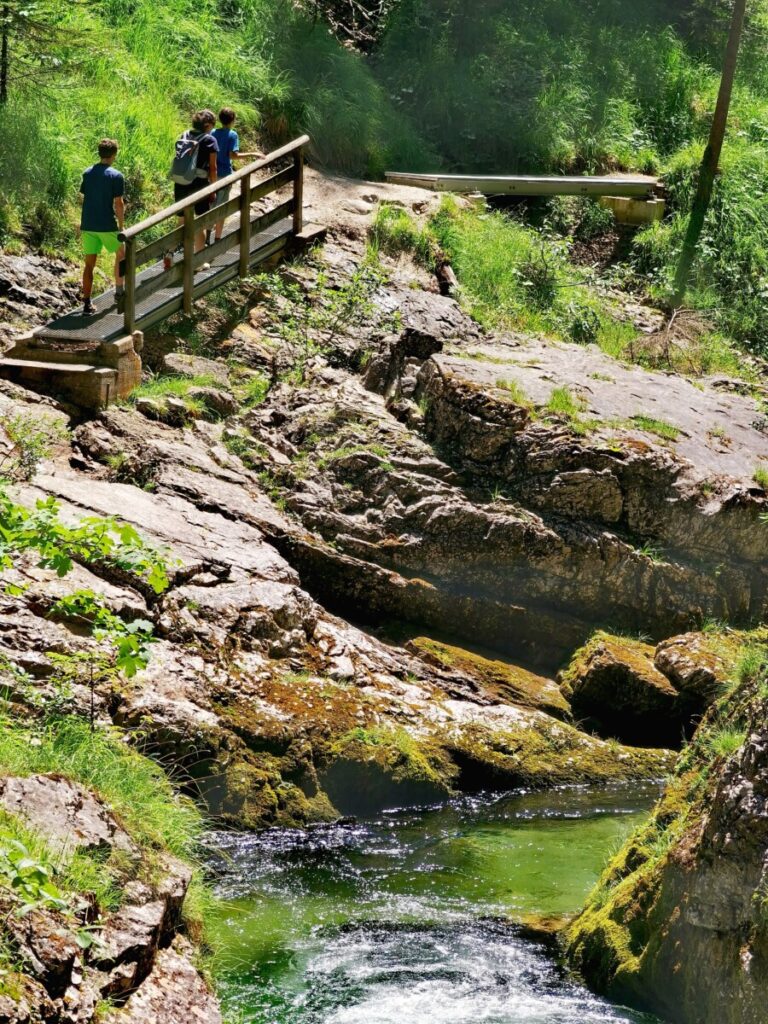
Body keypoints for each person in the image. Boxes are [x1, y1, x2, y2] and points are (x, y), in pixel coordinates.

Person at [78, 138, 125, 317]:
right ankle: (119, 292)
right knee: (121, 254)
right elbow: (119, 204)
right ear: (114, 154)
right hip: (106, 224)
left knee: (89, 264)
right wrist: (121, 227)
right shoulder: (116, 176)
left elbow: (85, 196)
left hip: (88, 224)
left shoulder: (87, 173)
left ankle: (87, 303)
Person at [172, 109, 218, 256]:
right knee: (201, 222)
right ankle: (198, 260)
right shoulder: (209, 140)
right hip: (199, 184)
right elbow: (213, 168)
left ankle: (169, 253)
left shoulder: (184, 135)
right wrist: (213, 188)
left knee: (182, 220)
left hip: (180, 182)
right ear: (208, 125)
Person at [212, 107, 240, 242]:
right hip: (224, 174)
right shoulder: (232, 135)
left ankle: (206, 237)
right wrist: (253, 154)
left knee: (210, 205)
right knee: (222, 207)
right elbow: (233, 155)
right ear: (233, 120)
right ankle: (217, 238)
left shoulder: (212, 132)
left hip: (211, 174)